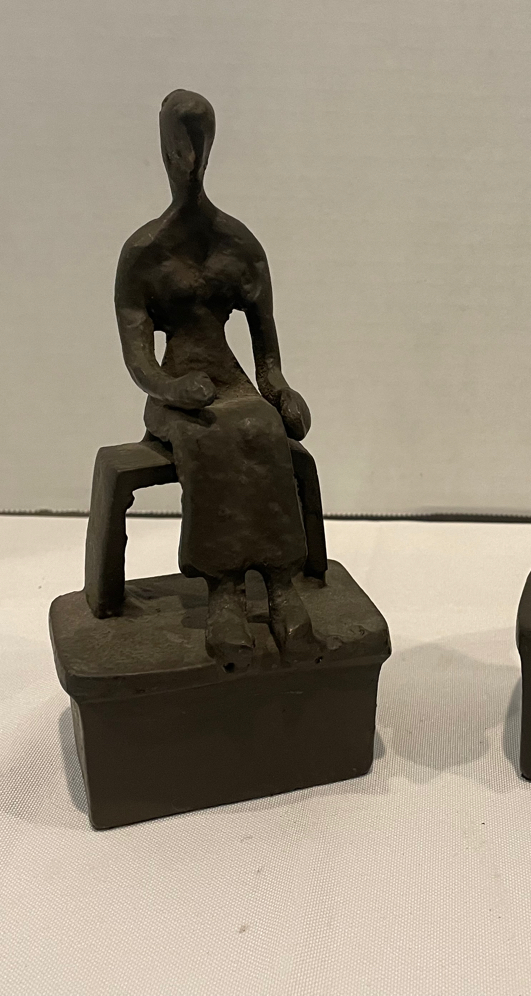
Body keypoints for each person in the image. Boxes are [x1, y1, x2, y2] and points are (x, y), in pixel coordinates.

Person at [113, 90, 314, 670]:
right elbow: (140, 361)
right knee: (209, 435)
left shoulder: (238, 245)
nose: (189, 163)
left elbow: (266, 353)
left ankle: (280, 583)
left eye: (197, 150)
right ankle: (224, 591)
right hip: (174, 394)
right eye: (180, 150)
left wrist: (280, 390)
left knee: (261, 426)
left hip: (231, 383)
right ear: (164, 152)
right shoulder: (143, 254)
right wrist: (171, 390)